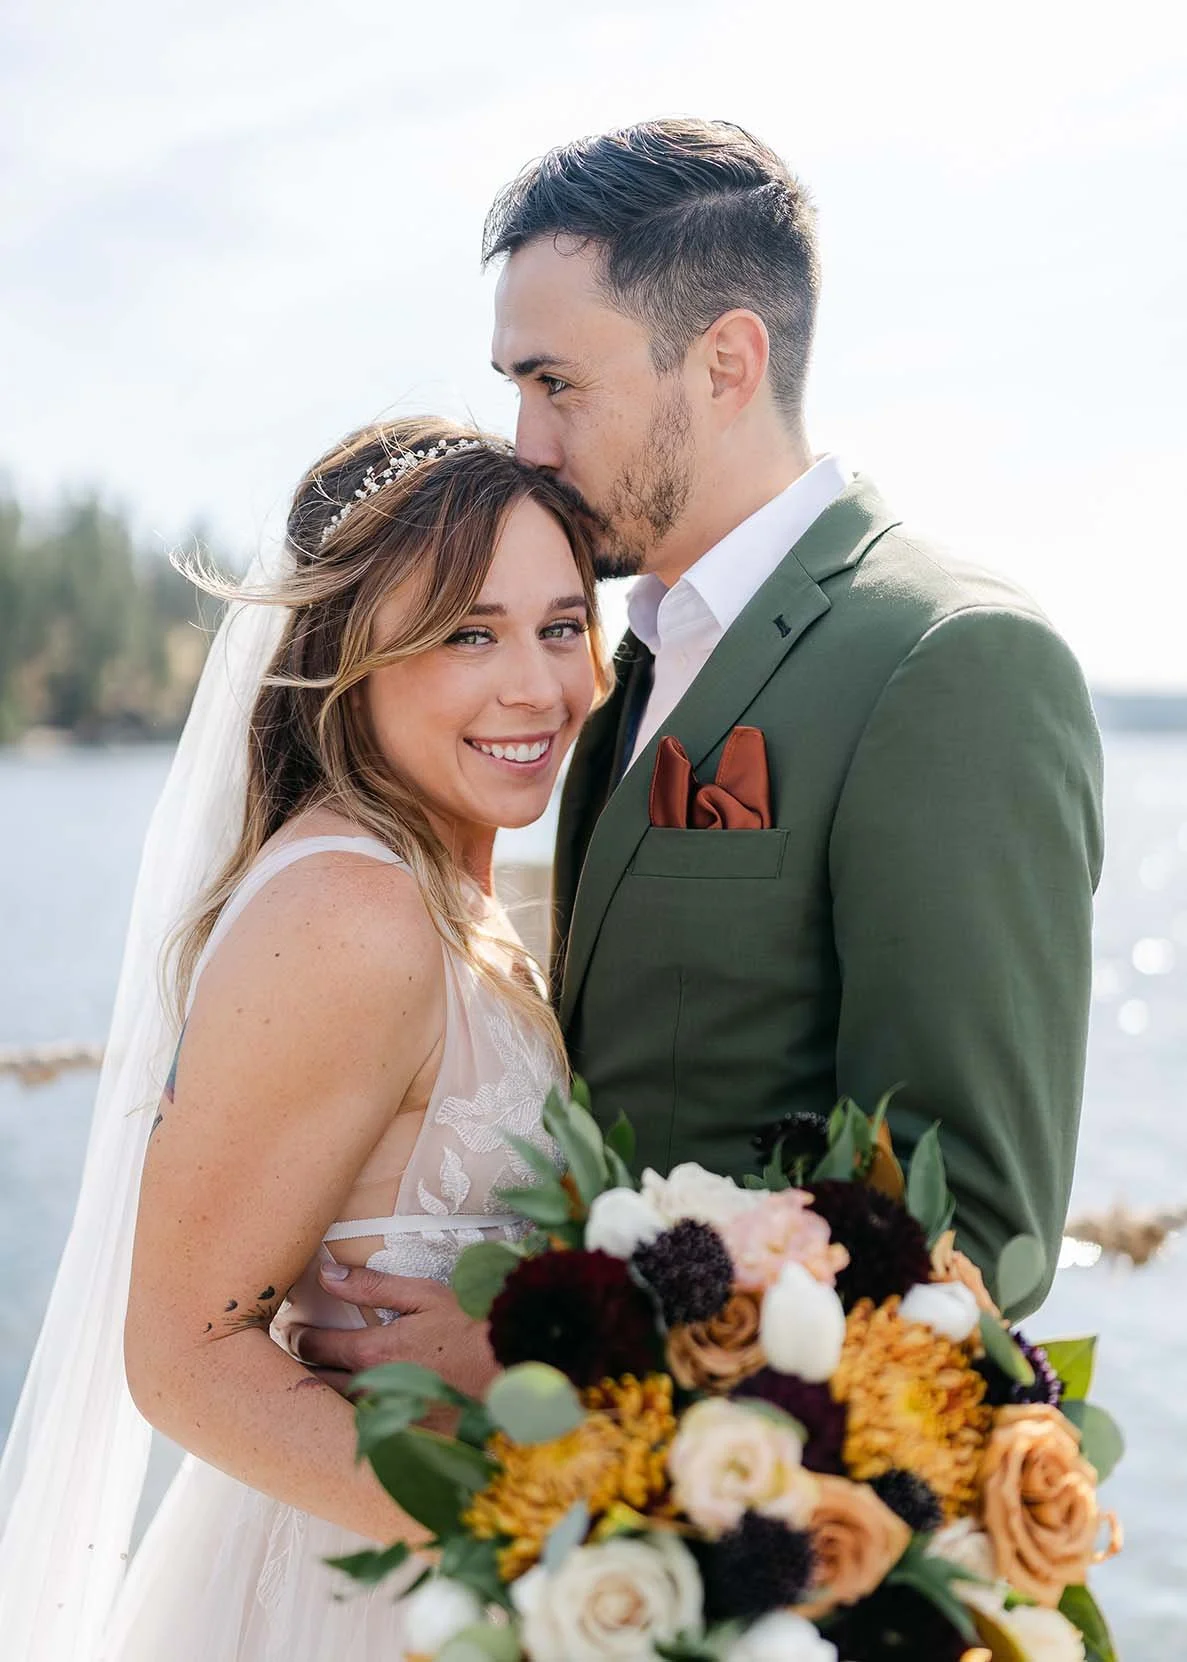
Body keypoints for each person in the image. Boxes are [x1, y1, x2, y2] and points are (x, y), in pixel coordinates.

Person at [294, 117, 1102, 1391]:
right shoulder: (626, 665)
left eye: (557, 383)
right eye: (514, 385)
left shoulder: (948, 659)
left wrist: (538, 1342)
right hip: (582, 1523)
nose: (526, 442)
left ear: (725, 362)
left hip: (766, 1520)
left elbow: (972, 1235)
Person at [0, 416, 606, 1660]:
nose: (536, 684)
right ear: (350, 655)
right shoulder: (353, 908)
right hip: (386, 1590)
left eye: (560, 625)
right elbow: (183, 1357)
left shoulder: (438, 886)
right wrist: (532, 1529)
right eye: (466, 633)